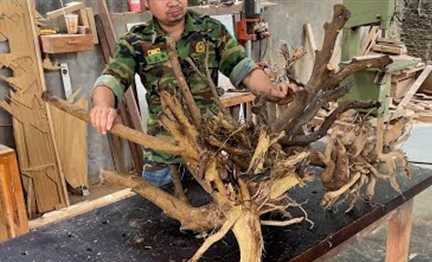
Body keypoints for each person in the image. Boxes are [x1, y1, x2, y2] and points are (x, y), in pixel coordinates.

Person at [91, 0, 297, 187]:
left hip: (212, 153)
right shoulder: (135, 41)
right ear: (146, 3)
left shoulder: (211, 30)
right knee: (156, 223)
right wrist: (103, 106)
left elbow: (243, 68)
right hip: (164, 159)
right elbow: (112, 79)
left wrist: (270, 91)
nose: (173, 2)